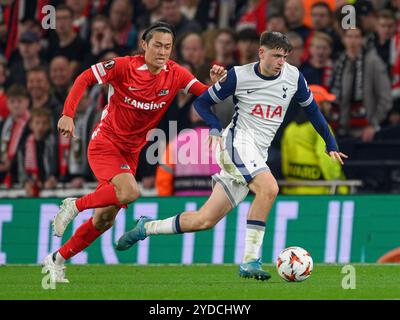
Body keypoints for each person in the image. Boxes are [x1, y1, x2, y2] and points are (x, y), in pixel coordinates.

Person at [115, 31, 347, 281]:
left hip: (256, 152)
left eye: (285, 56)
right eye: (276, 56)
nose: (281, 62)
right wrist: (215, 126)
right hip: (235, 143)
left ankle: (146, 227)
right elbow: (201, 103)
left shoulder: (294, 77)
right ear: (261, 53)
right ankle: (250, 260)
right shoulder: (239, 75)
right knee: (269, 188)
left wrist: (330, 142)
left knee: (204, 221)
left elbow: (312, 111)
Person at [43, 21, 226, 283]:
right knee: (130, 192)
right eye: (157, 45)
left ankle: (56, 260)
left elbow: (207, 97)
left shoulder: (176, 74)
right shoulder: (122, 66)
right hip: (105, 143)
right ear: (144, 45)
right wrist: (68, 114)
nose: (163, 52)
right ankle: (74, 205)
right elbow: (84, 77)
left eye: (168, 47)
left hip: (131, 153)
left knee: (104, 219)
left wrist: (218, 85)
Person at [281, 85, 348, 195]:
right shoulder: (322, 129)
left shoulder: (290, 128)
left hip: (292, 191)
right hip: (318, 192)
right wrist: (339, 186)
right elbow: (327, 159)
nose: (330, 106)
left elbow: (285, 161)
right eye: (326, 103)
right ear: (317, 105)